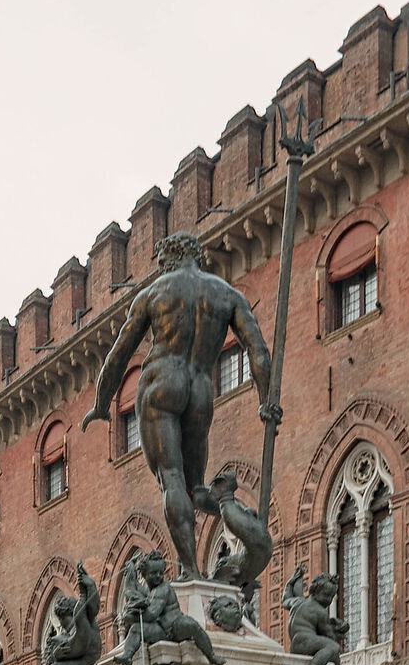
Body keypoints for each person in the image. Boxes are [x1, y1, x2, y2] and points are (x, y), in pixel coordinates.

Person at [82, 232, 278, 579]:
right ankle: (232, 508)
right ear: (197, 258)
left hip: (161, 386)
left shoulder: (154, 294)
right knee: (195, 488)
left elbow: (116, 358)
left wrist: (101, 404)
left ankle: (190, 571)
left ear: (165, 261)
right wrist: (266, 403)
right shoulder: (227, 295)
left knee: (172, 479)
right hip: (201, 391)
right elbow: (259, 351)